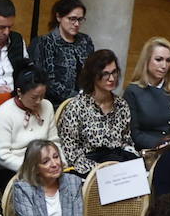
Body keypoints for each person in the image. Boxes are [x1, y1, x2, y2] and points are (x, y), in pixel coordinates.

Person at [56, 49, 138, 177]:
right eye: (105, 74)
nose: (111, 78)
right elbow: (71, 153)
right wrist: (102, 171)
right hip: (88, 170)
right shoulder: (77, 107)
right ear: (93, 76)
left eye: (114, 72)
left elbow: (126, 142)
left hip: (118, 167)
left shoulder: (122, 105)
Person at [10, 139, 83, 216]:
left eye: (56, 157)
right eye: (45, 161)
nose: (54, 164)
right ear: (35, 168)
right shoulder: (23, 189)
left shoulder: (73, 182)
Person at [0, 62, 57, 176]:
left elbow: (53, 140)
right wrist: (34, 169)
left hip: (47, 166)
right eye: (34, 97)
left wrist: (59, 163)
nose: (39, 101)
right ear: (19, 92)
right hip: (16, 170)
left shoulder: (47, 106)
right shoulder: (3, 114)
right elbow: (2, 156)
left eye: (42, 96)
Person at [28, 0, 93, 108]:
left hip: (84, 104)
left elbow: (93, 72)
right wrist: (76, 98)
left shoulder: (85, 41)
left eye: (80, 19)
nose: (77, 24)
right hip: (55, 106)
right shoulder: (45, 42)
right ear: (58, 17)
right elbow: (47, 82)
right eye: (72, 19)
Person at [123, 36, 170, 151]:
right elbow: (134, 133)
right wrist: (160, 144)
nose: (164, 66)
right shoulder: (133, 91)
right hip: (148, 150)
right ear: (147, 60)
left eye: (168, 60)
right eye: (159, 59)